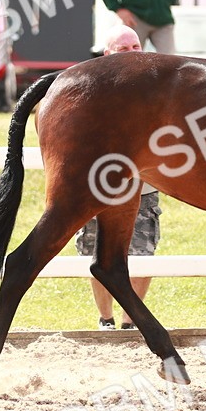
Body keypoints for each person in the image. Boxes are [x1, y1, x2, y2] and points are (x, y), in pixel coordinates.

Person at [76, 24, 162, 329]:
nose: (132, 54)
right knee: (97, 256)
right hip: (98, 190)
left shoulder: (157, 90)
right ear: (107, 55)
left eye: (136, 47)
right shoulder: (89, 89)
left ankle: (130, 323)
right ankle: (106, 320)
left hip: (144, 188)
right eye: (123, 49)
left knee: (143, 255)